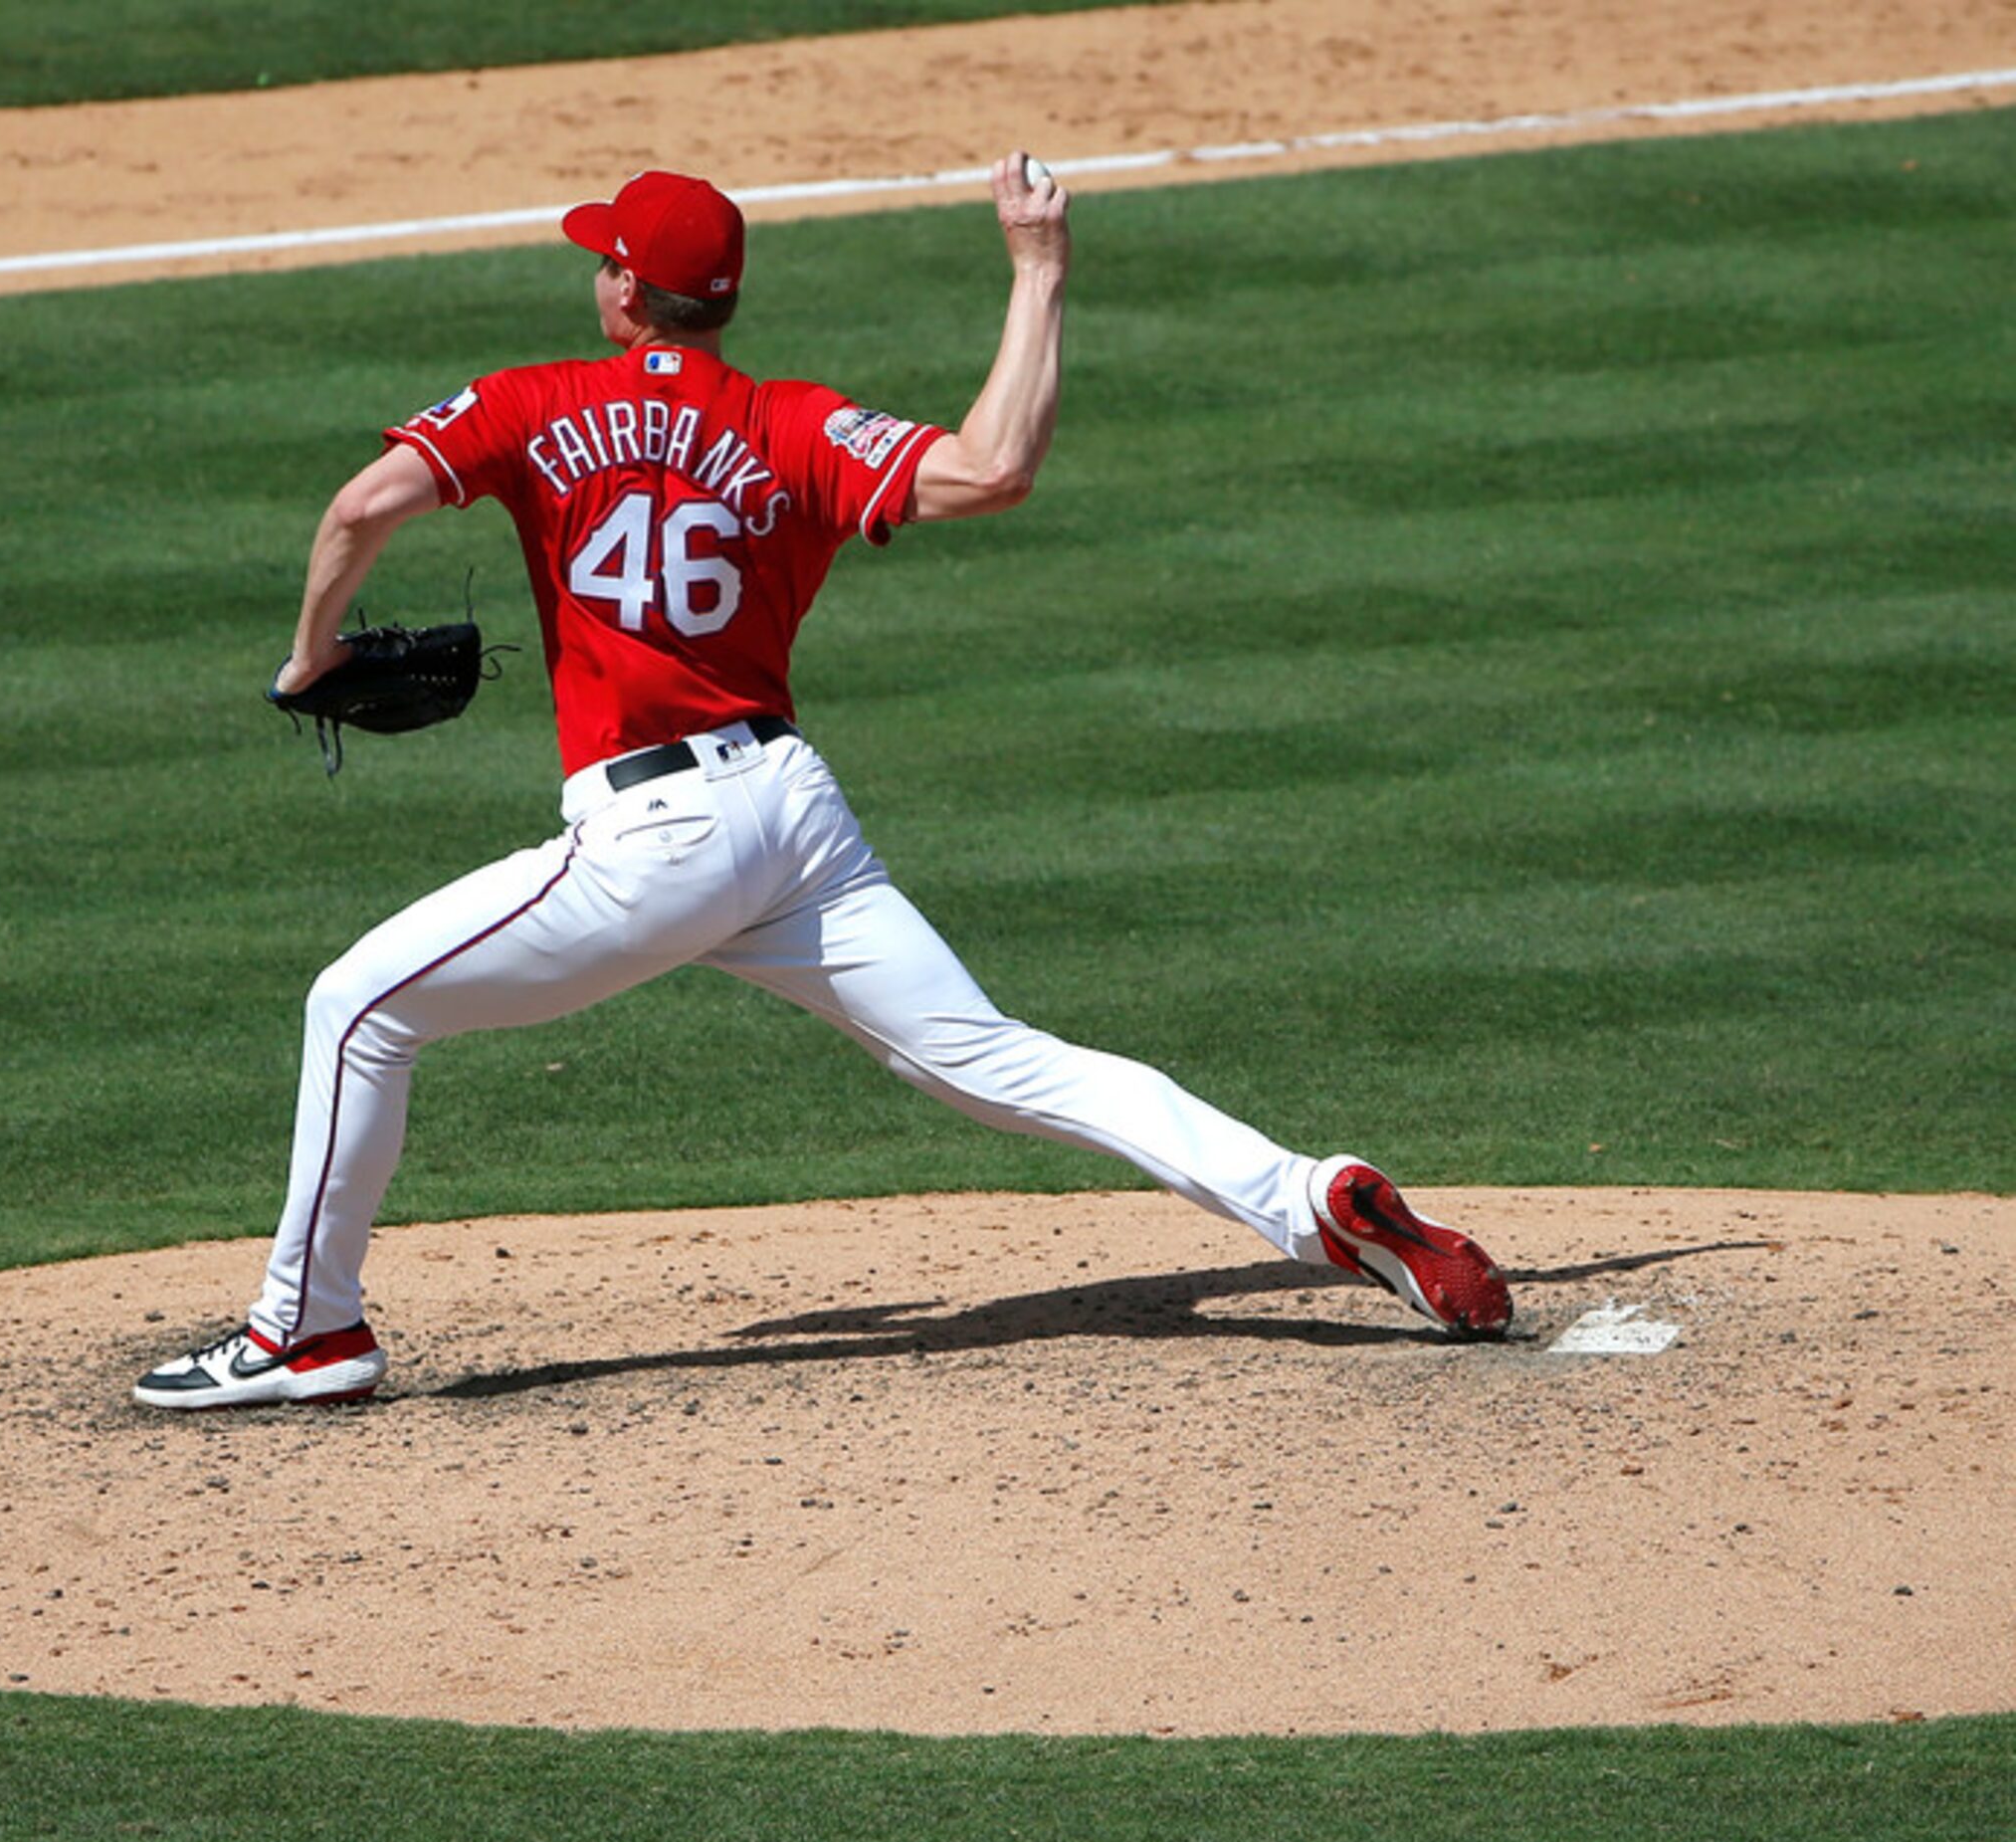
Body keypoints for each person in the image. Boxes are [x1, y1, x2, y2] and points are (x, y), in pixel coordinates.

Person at [134, 157, 1511, 1409]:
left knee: (357, 1005)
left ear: (628, 289)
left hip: (651, 840)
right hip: (791, 820)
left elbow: (358, 508)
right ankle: (1309, 1197)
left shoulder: (531, 401)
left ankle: (302, 1330)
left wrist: (309, 661)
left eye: (605, 259)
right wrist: (1036, 270)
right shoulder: (796, 424)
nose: (596, 274)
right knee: (1002, 1060)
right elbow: (994, 468)